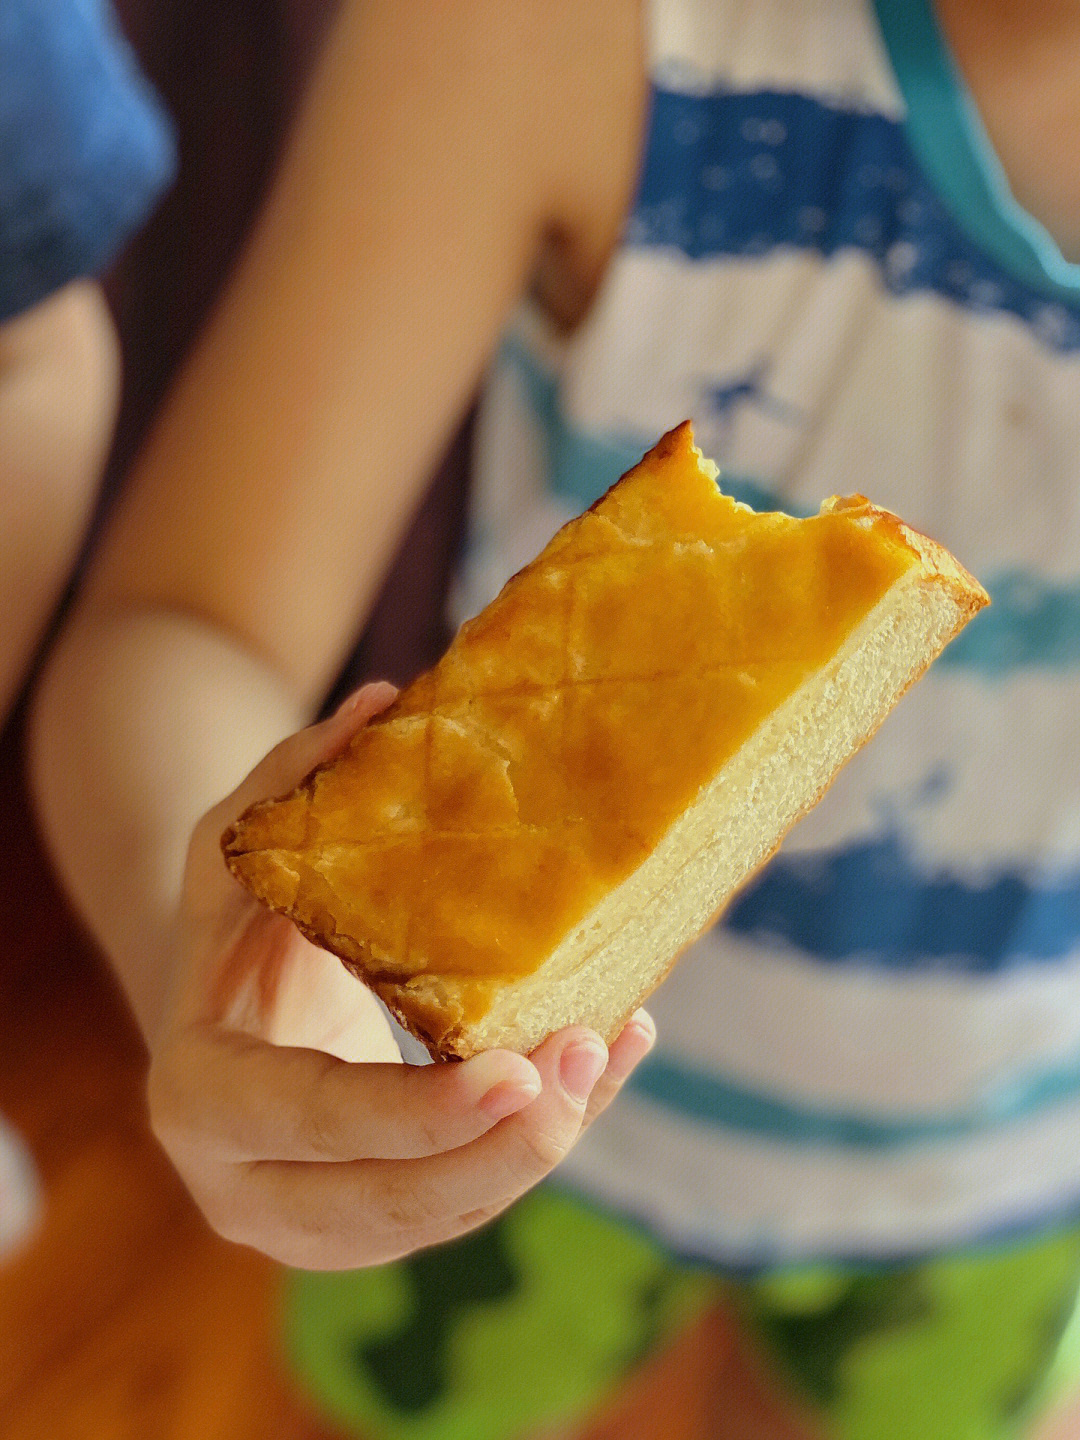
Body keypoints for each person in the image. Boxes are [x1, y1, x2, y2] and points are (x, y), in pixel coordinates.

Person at [27, 0, 1080, 1434]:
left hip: (1014, 1174)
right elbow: (182, 630)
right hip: (466, 1130)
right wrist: (226, 980)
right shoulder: (550, 30)